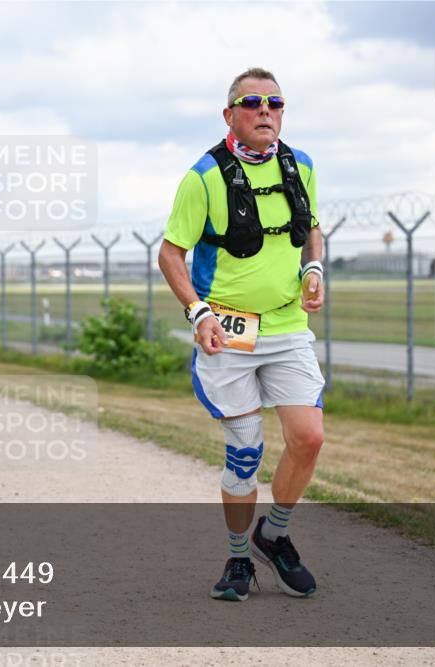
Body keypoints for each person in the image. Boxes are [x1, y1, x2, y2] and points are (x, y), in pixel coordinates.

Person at [158, 68, 325, 602]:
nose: (264, 111)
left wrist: (314, 269)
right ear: (229, 114)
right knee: (246, 452)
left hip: (286, 325)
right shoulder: (202, 178)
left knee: (309, 438)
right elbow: (170, 253)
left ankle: (272, 534)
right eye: (251, 103)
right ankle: (236, 560)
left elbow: (311, 228)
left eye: (274, 103)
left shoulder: (302, 166)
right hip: (227, 331)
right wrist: (197, 312)